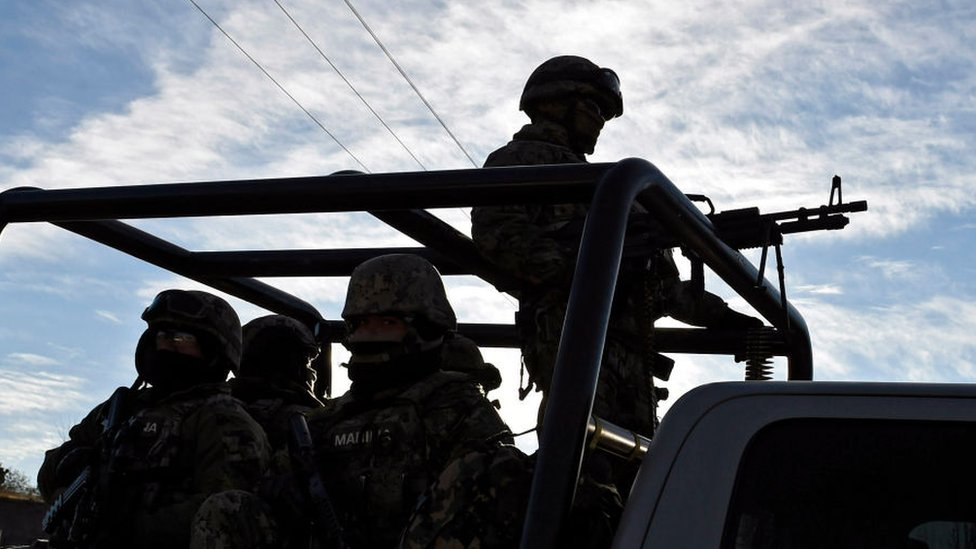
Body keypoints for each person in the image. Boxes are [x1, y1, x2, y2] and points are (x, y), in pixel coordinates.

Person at [472, 55, 760, 441]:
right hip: (571, 332)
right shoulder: (522, 161)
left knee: (635, 458)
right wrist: (591, 268)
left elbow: (661, 290)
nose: (599, 122)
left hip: (628, 351)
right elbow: (498, 235)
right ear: (554, 102)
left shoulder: (609, 183)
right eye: (593, 107)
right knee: (582, 452)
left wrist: (722, 317)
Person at [304, 254, 513, 548]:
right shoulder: (322, 423)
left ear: (427, 328)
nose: (369, 334)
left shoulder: (459, 411)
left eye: (388, 322)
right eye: (361, 322)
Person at [36, 289, 273, 549]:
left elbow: (223, 515)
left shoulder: (225, 421)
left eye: (180, 338)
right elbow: (50, 475)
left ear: (213, 351)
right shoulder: (121, 408)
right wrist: (68, 463)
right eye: (161, 336)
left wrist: (132, 524)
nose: (165, 346)